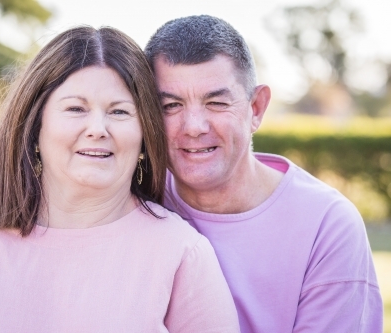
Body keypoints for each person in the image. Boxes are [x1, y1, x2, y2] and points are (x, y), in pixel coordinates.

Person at [0, 26, 240, 332]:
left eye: (119, 112)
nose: (98, 129)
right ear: (34, 124)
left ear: (145, 134)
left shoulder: (180, 253)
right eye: (76, 108)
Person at [145, 15, 383, 333]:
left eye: (216, 103)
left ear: (256, 108)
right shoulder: (135, 203)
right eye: (170, 106)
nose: (193, 127)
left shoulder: (326, 226)